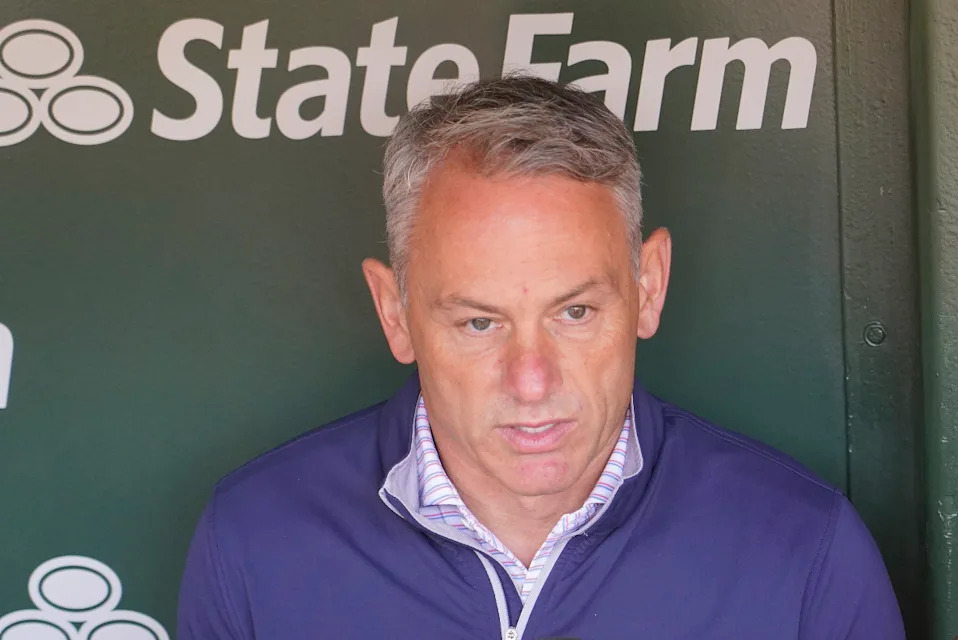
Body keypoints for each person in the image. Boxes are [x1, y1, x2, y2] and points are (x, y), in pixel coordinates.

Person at [177, 76, 904, 639]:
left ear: (648, 287)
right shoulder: (254, 539)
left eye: (575, 312)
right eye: (479, 322)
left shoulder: (805, 550)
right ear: (395, 313)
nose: (531, 381)